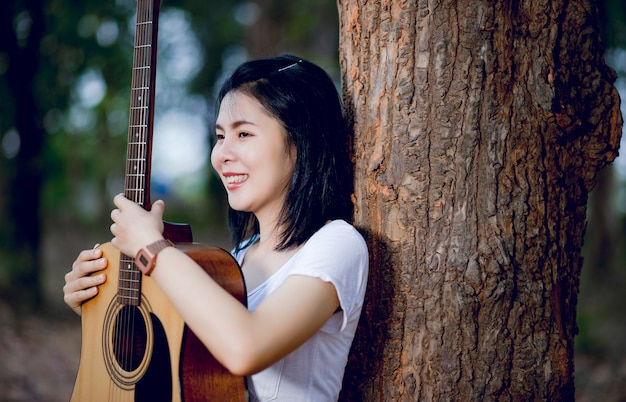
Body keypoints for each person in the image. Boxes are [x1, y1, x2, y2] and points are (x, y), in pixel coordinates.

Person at [63, 54, 368, 401]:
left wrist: (152, 246)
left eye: (244, 133)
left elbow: (246, 347)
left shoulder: (336, 244)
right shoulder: (232, 260)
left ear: (302, 141)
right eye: (220, 135)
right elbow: (174, 358)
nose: (222, 153)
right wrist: (95, 301)